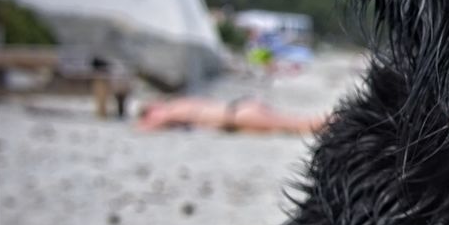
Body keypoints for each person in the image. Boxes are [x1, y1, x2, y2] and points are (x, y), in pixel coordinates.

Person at [135, 96, 328, 135]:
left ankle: (330, 122)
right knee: (288, 123)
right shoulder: (180, 102)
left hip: (236, 115)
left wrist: (140, 123)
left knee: (293, 125)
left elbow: (149, 125)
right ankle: (329, 121)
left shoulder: (169, 110)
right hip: (238, 109)